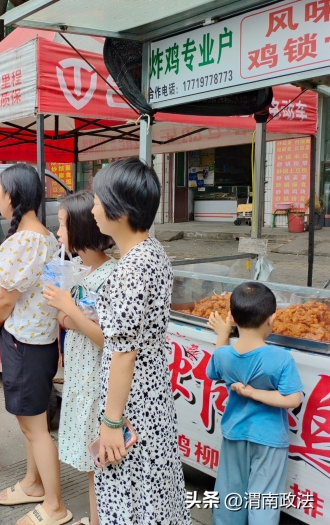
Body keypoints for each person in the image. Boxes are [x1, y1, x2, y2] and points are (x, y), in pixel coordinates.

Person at [89, 157, 190, 524]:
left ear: (120, 210)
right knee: (155, 493)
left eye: (99, 199)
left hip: (133, 403)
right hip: (152, 398)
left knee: (131, 496)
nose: (94, 208)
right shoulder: (152, 252)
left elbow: (123, 354)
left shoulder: (130, 268)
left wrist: (112, 423)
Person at [0, 163, 72, 525]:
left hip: (24, 344)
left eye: (0, 190)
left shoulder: (24, 241)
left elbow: (5, 300)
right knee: (30, 423)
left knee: (35, 428)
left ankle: (55, 506)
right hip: (38, 343)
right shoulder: (47, 238)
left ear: (14, 195)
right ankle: (33, 483)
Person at [42, 190, 116, 525]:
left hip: (97, 387)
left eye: (62, 225)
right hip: (82, 379)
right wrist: (65, 310)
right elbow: (68, 321)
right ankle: (96, 518)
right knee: (92, 465)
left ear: (83, 228)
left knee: (100, 465)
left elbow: (107, 338)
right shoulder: (79, 270)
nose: (58, 233)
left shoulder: (110, 277)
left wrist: (69, 308)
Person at [207, 283, 303, 525]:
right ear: (272, 319)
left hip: (235, 433)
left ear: (231, 318)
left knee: (230, 494)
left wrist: (222, 335)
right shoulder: (281, 358)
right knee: (264, 497)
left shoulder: (224, 354)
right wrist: (254, 393)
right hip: (269, 437)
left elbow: (215, 368)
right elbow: (293, 399)